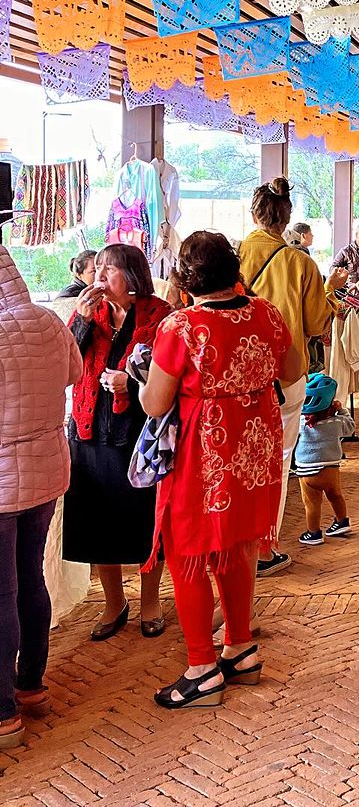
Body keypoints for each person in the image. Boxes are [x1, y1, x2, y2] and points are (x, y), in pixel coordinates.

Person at [137, 231, 294, 709]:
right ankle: (240, 646)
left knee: (187, 552)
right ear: (235, 270)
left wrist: (142, 379)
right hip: (256, 447)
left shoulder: (181, 328)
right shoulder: (266, 312)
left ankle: (202, 668)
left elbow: (155, 403)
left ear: (185, 278)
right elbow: (287, 371)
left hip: (204, 453)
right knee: (237, 544)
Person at [65, 245, 172, 640]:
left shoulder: (161, 315)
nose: (101, 276)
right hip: (89, 430)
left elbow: (172, 373)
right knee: (97, 524)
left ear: (132, 275)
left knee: (145, 522)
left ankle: (150, 601)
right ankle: (114, 603)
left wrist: (135, 381)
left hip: (139, 433)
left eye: (110, 269)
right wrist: (80, 318)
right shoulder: (89, 315)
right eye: (99, 269)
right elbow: (66, 363)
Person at [238, 178, 345, 576]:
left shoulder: (231, 256)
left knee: (236, 461)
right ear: (286, 221)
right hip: (284, 375)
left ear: (253, 214)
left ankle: (234, 547)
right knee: (278, 462)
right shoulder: (300, 263)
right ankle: (264, 548)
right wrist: (331, 292)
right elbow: (317, 324)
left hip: (235, 376)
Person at [0, 246, 83, 749]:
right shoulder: (50, 322)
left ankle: (3, 710)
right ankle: (30, 684)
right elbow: (73, 376)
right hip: (47, 469)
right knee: (29, 576)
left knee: (0, 592)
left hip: (2, 480)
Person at [294, 373, 354, 547]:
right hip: (330, 468)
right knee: (336, 495)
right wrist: (341, 410)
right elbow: (350, 428)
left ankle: (313, 533)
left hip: (307, 471)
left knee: (311, 503)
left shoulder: (300, 423)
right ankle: (342, 522)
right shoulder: (336, 422)